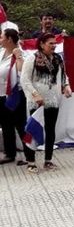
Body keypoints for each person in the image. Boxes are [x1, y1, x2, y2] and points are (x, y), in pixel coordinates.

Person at [20, 33, 72, 173]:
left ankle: (48, 160)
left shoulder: (57, 59)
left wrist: (66, 86)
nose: (54, 45)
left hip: (53, 100)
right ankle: (31, 161)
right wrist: (35, 94)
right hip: (36, 102)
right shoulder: (32, 58)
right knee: (32, 130)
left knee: (50, 130)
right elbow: (25, 80)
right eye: (50, 43)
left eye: (55, 43)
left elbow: (63, 75)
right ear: (42, 44)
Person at [0, 28, 33, 165]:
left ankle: (29, 155)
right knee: (6, 125)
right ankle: (9, 153)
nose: (0, 39)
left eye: (2, 37)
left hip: (15, 94)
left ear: (9, 39)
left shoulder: (22, 54)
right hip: (1, 94)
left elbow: (22, 71)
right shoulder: (1, 52)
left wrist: (18, 56)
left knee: (21, 125)